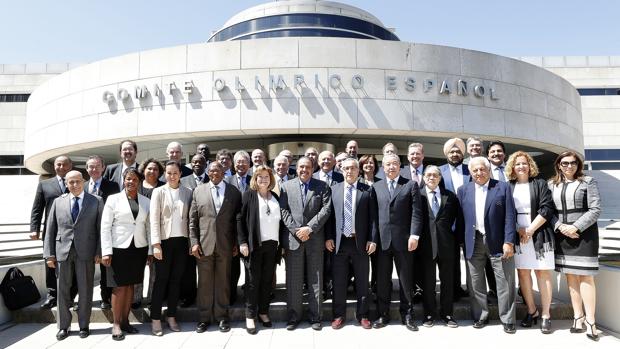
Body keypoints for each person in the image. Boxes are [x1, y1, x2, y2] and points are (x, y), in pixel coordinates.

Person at [457, 157, 517, 334]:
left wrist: (509, 241)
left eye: (482, 169)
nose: (478, 173)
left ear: (489, 170)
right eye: (474, 170)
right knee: (475, 282)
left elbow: (510, 216)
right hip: (473, 242)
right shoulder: (463, 190)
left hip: (499, 242)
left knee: (505, 281)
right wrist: (462, 241)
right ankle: (481, 316)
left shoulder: (502, 187)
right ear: (470, 172)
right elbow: (460, 219)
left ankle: (507, 319)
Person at [43, 170, 104, 340]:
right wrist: (49, 255)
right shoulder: (58, 202)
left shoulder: (96, 201)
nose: (75, 185)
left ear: (83, 181)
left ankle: (84, 325)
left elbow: (101, 229)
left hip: (87, 251)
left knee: (85, 290)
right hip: (62, 251)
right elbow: (50, 229)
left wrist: (100, 251)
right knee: (62, 290)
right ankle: (63, 326)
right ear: (66, 184)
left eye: (78, 181)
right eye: (71, 182)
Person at [548, 151, 601, 341]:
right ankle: (578, 317)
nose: (569, 166)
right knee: (571, 277)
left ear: (578, 165)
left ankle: (591, 322)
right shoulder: (551, 184)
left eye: (573, 163)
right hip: (562, 235)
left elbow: (595, 209)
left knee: (586, 277)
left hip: (584, 235)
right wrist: (560, 226)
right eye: (564, 163)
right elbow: (548, 210)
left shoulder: (588, 181)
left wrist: (575, 227)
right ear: (559, 165)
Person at [279, 156, 332, 331]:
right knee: (294, 280)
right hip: (294, 240)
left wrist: (309, 228)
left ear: (313, 168)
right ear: (296, 168)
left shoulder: (322, 187)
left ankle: (315, 317)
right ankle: (293, 317)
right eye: (301, 167)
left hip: (314, 239)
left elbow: (326, 210)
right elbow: (284, 211)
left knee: (315, 279)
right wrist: (296, 230)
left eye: (308, 167)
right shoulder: (286, 187)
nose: (304, 170)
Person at [505, 151, 555, 333]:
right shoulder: (508, 186)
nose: (521, 166)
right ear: (512, 167)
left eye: (524, 163)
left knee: (542, 274)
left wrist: (531, 229)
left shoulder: (539, 183)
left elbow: (547, 208)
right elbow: (507, 211)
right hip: (519, 235)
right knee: (524, 274)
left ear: (530, 165)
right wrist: (519, 229)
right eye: (517, 164)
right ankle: (532, 311)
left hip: (540, 232)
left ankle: (546, 315)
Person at [371, 154, 422, 331]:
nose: (391, 167)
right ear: (382, 167)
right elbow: (374, 217)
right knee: (382, 281)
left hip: (404, 241)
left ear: (400, 166)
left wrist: (414, 235)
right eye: (387, 165)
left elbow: (416, 212)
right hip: (383, 242)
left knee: (405, 280)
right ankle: (382, 314)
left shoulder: (410, 185)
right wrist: (373, 239)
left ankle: (407, 315)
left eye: (394, 164)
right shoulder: (376, 187)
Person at [101, 168, 152, 341]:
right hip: (118, 249)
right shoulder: (113, 199)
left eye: (135, 180)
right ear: (124, 180)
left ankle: (125, 321)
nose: (131, 182)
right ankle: (116, 324)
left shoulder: (146, 201)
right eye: (128, 179)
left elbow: (149, 227)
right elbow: (105, 226)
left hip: (138, 248)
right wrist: (106, 251)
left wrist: (151, 250)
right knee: (119, 286)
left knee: (131, 286)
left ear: (139, 182)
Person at [190, 162, 242, 334]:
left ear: (223, 172)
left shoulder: (234, 191)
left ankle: (222, 317)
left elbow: (237, 220)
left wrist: (236, 242)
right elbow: (193, 220)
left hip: (226, 245)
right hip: (204, 244)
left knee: (223, 282)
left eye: (218, 170)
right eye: (211, 170)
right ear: (208, 172)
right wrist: (194, 242)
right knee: (204, 283)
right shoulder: (199, 191)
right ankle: (204, 319)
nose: (214, 173)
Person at [325, 158, 375, 330]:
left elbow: (373, 219)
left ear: (358, 171)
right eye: (346, 168)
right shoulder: (333, 190)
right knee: (339, 281)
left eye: (353, 168)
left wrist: (372, 238)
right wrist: (329, 237)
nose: (349, 171)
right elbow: (329, 217)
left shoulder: (367, 190)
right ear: (341, 170)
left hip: (359, 242)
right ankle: (338, 315)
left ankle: (363, 315)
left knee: (362, 281)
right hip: (339, 243)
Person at [149, 161, 193, 336]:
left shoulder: (188, 192)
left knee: (176, 280)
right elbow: (153, 219)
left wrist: (191, 243)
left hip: (181, 242)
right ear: (164, 174)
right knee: (161, 280)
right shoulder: (158, 192)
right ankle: (155, 318)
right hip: (164, 243)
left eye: (175, 173)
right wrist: (156, 244)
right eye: (168, 173)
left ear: (180, 174)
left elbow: (191, 219)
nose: (172, 176)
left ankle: (172, 315)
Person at [237, 165, 281, 334]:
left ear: (271, 180)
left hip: (272, 245)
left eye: (267, 177)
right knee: (253, 282)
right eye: (260, 177)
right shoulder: (248, 195)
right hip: (255, 245)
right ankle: (250, 315)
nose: (264, 179)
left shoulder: (275, 196)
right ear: (255, 179)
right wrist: (242, 242)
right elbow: (239, 220)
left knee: (266, 281)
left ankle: (263, 312)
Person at [30, 155, 74, 309]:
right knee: (50, 263)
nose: (61, 167)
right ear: (54, 166)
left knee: (72, 264)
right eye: (58, 164)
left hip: (71, 232)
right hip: (51, 231)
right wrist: (34, 228)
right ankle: (52, 295)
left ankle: (70, 296)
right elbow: (37, 208)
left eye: (65, 165)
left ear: (70, 166)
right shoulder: (44, 184)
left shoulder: (76, 183)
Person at [418, 166, 460, 328]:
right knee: (428, 282)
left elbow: (459, 220)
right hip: (425, 246)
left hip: (447, 245)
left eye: (435, 175)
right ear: (423, 177)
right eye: (428, 175)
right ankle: (429, 314)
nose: (431, 178)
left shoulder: (450, 196)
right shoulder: (418, 195)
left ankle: (447, 314)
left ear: (440, 178)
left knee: (447, 282)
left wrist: (457, 240)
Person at [85, 155, 120, 310]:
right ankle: (81, 299)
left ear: (103, 168)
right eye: (91, 167)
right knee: (84, 268)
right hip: (86, 234)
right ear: (87, 169)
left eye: (97, 166)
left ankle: (105, 298)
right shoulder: (82, 185)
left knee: (106, 267)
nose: (94, 169)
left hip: (106, 231)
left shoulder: (113, 186)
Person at [439, 138, 471, 300]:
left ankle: (474, 290)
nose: (455, 154)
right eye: (452, 151)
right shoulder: (439, 171)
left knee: (471, 257)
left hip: (468, 220)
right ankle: (454, 289)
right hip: (448, 221)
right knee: (451, 259)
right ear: (446, 154)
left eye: (458, 151)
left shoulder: (470, 170)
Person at [178, 154, 208, 308]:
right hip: (187, 229)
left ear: (206, 163)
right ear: (191, 164)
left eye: (200, 161)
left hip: (207, 231)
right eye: (194, 161)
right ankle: (188, 296)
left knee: (205, 267)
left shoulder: (213, 178)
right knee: (188, 267)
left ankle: (205, 296)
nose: (197, 163)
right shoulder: (183, 181)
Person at [134, 158, 164, 308]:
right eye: (149, 168)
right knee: (138, 266)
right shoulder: (136, 186)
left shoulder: (164, 187)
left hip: (158, 232)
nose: (152, 171)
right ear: (143, 170)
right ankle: (136, 298)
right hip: (138, 232)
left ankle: (152, 297)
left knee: (155, 269)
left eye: (156, 169)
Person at [225, 150, 252, 304]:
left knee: (250, 266)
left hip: (249, 231)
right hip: (231, 232)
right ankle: (231, 296)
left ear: (249, 164)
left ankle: (250, 294)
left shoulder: (254, 180)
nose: (241, 164)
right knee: (232, 268)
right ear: (234, 165)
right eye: (238, 162)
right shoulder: (227, 181)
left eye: (244, 161)